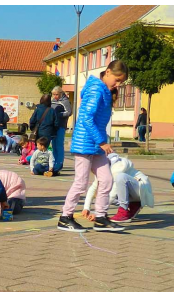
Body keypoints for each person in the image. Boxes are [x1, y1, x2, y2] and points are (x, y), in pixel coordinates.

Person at [57, 60, 129, 233]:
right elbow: (86, 118)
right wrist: (102, 142)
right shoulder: (96, 89)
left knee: (106, 180)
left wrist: (100, 142)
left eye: (121, 82)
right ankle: (65, 217)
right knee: (81, 183)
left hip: (95, 145)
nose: (117, 84)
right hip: (85, 144)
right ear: (108, 72)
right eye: (117, 80)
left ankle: (101, 218)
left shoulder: (103, 90)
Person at [83, 154, 154, 223]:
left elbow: (113, 193)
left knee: (121, 177)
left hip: (141, 189)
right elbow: (93, 188)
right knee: (101, 194)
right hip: (133, 192)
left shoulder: (118, 167)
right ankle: (133, 205)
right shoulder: (103, 169)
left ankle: (123, 211)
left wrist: (98, 214)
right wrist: (86, 208)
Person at [50, 86, 73, 173]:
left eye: (56, 94)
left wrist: (58, 115)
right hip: (53, 126)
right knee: (54, 145)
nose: (55, 96)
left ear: (61, 93)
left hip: (61, 125)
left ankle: (59, 163)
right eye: (53, 94)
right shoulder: (52, 101)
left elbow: (69, 112)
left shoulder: (65, 101)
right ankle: (54, 162)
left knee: (59, 145)